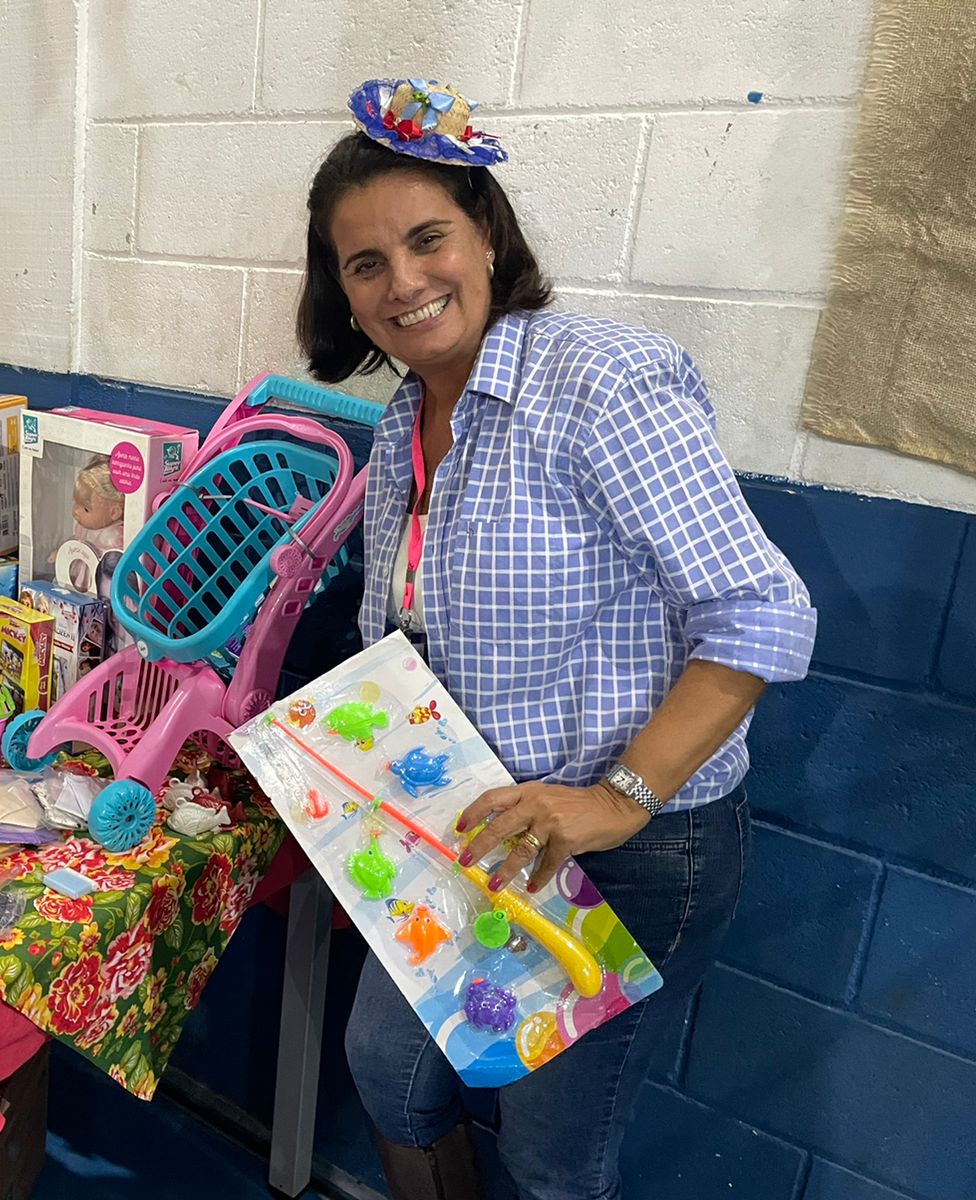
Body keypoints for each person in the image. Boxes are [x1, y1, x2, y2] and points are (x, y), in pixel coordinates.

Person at [297, 79, 817, 1200]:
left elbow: (761, 611)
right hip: (475, 826)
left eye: (427, 239)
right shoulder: (406, 420)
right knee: (388, 1073)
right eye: (365, 263)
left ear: (485, 234)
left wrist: (617, 799)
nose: (403, 283)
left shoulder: (601, 381)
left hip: (631, 843)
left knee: (549, 1156)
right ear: (342, 292)